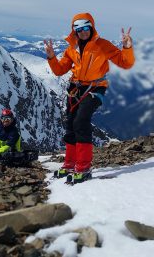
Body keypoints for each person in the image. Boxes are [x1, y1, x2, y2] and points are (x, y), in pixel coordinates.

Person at [44, 12, 135, 183]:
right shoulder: (71, 48)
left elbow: (126, 63)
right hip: (75, 89)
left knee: (81, 121)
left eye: (86, 27)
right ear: (74, 30)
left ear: (92, 27)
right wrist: (51, 57)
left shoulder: (103, 45)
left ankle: (84, 166)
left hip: (95, 88)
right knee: (71, 124)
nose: (83, 31)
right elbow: (59, 70)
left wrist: (127, 47)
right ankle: (70, 163)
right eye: (78, 29)